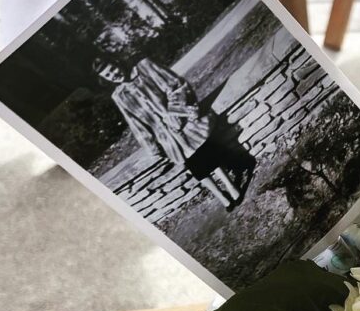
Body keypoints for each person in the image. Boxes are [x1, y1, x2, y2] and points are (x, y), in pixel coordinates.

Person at [94, 54, 254, 208]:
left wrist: (175, 114)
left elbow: (176, 86)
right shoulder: (119, 96)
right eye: (108, 75)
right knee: (192, 165)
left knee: (203, 152)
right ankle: (220, 196)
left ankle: (230, 185)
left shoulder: (144, 67)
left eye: (113, 68)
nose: (114, 74)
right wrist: (152, 146)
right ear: (106, 79)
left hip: (183, 119)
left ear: (117, 62)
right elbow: (135, 124)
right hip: (166, 136)